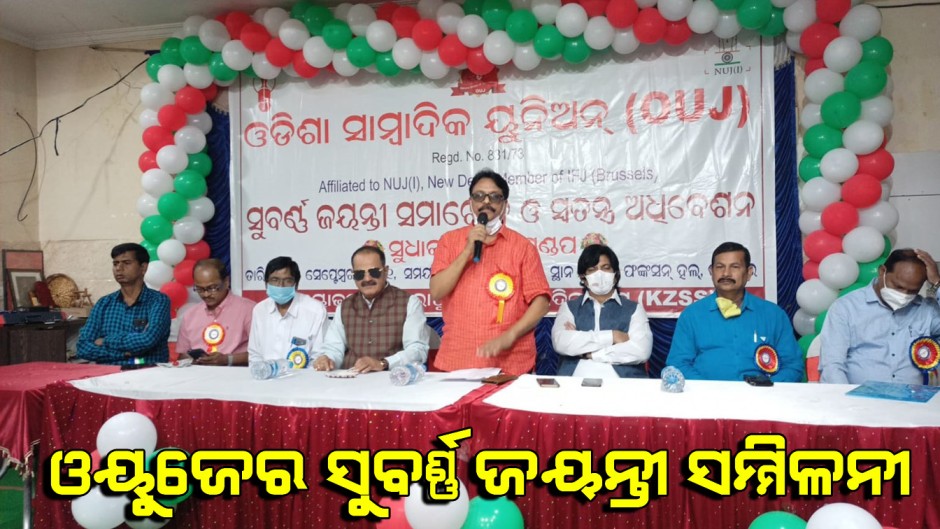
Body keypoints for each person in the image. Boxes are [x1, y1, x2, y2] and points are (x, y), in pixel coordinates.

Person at [430, 169, 551, 375]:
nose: (486, 202)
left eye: (494, 197)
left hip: (510, 361)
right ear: (470, 202)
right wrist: (467, 251)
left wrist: (510, 336)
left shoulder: (522, 247)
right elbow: (437, 292)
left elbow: (541, 303)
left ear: (504, 204)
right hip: (458, 359)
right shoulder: (449, 241)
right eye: (479, 196)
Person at [666, 242, 803, 381]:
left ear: (749, 273)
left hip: (762, 393)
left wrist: (765, 387)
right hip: (707, 393)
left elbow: (793, 366)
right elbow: (678, 364)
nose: (726, 273)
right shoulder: (692, 315)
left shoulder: (774, 315)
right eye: (720, 267)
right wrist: (709, 390)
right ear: (711, 272)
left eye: (735, 267)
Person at [819, 248, 940, 385]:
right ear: (882, 272)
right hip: (860, 396)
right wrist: (846, 398)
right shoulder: (846, 308)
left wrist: (937, 283)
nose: (904, 295)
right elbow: (832, 366)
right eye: (898, 287)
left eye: (913, 291)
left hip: (912, 397)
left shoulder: (927, 310)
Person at [312, 242, 429, 373]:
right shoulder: (345, 306)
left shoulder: (408, 303)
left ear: (386, 271)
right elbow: (333, 348)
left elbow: (417, 350)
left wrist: (383, 363)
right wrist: (328, 359)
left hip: (393, 380)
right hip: (350, 381)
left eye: (374, 272)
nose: (367, 278)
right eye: (359, 274)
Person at [551, 235, 653, 378]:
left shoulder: (634, 309)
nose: (599, 274)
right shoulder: (569, 307)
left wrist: (589, 353)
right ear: (583, 278)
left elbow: (641, 350)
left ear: (616, 274)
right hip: (575, 385)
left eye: (605, 268)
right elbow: (561, 342)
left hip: (624, 386)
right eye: (592, 270)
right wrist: (612, 336)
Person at [77, 243, 170, 365]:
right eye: (115, 263)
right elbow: (83, 347)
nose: (119, 268)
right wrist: (123, 354)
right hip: (108, 374)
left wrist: (105, 341)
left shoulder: (158, 301)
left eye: (126, 263)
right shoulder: (104, 303)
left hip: (146, 372)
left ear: (143, 267)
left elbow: (148, 340)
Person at [247, 256, 328, 367]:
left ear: (296, 284)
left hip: (304, 376)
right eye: (275, 280)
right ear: (266, 283)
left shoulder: (315, 310)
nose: (280, 286)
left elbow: (319, 357)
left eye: (287, 280)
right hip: (266, 375)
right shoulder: (260, 310)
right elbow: (255, 355)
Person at [176, 259, 255, 366]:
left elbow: (264, 352)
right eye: (200, 289)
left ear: (226, 282)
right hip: (198, 374)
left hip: (236, 373)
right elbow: (182, 355)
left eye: (212, 288)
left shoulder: (249, 310)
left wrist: (228, 359)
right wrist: (193, 359)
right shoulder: (190, 315)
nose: (206, 294)